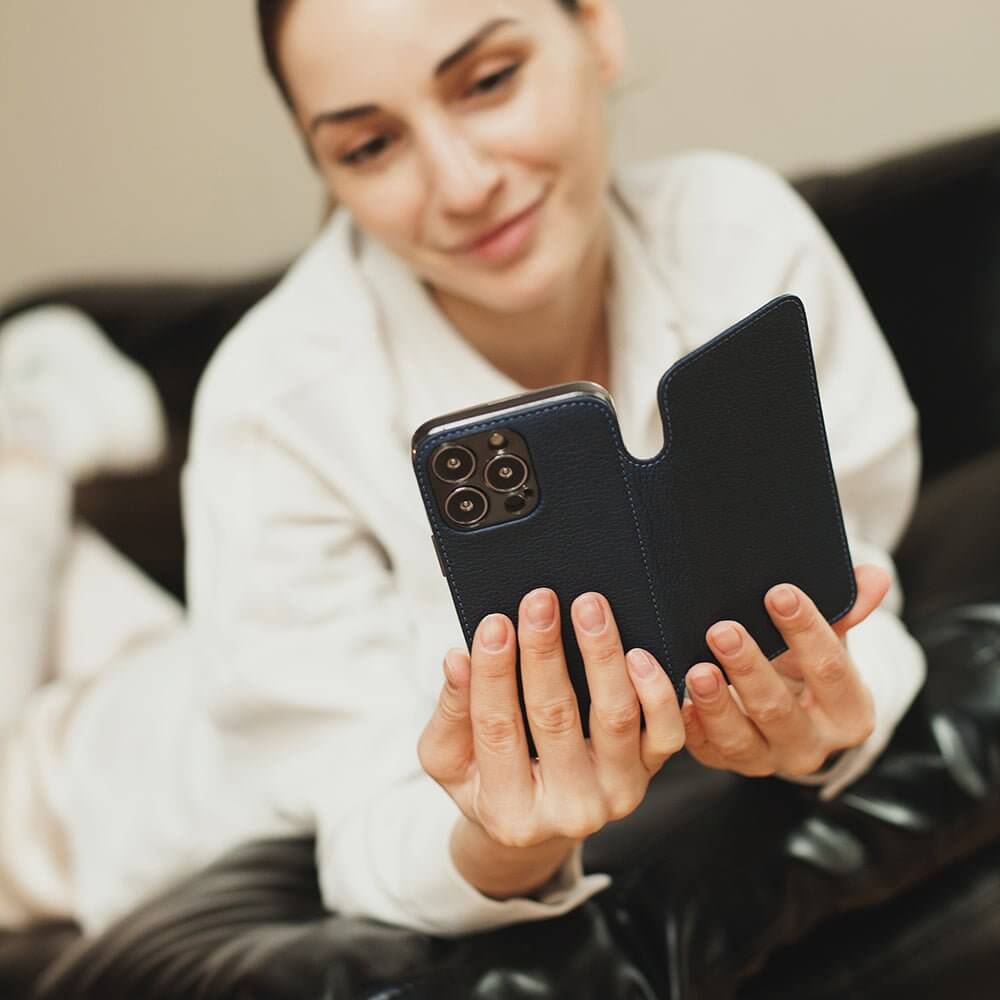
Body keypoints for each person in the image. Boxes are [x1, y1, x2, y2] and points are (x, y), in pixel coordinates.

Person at [0, 0, 926, 940]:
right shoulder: (273, 396)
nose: (463, 184)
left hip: (212, 650)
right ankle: (32, 436)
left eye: (488, 82)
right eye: (369, 145)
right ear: (322, 163)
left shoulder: (739, 234)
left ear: (597, 28)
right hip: (106, 788)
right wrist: (503, 845)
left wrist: (840, 715)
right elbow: (357, 826)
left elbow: (853, 587)